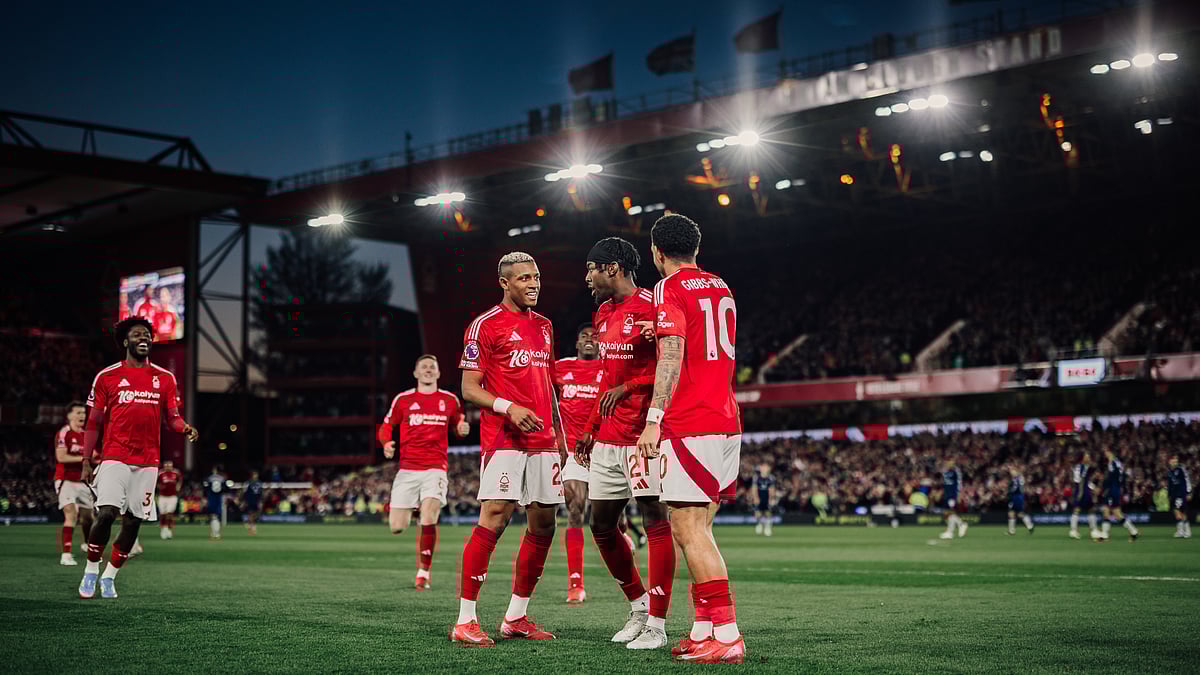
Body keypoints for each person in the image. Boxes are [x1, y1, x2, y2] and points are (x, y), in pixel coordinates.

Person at [635, 214, 746, 664]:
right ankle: (703, 628)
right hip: (726, 420)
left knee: (686, 529)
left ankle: (728, 634)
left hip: (691, 422)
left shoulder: (667, 289)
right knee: (699, 531)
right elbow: (700, 339)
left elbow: (675, 354)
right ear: (695, 249)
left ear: (656, 252)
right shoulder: (720, 285)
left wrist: (653, 418)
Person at [451, 252, 568, 647]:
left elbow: (550, 389)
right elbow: (469, 388)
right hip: (504, 439)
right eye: (523, 279)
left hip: (544, 441)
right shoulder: (484, 326)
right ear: (504, 283)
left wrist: (562, 440)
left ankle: (516, 616)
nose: (533, 284)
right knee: (496, 518)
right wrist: (508, 407)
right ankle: (465, 619)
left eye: (536, 277)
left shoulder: (547, 327)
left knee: (544, 524)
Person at [576, 236, 675, 650]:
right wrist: (589, 425)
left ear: (612, 268)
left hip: (644, 436)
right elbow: (606, 377)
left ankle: (657, 623)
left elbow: (675, 364)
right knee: (601, 524)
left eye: (591, 269)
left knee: (655, 520)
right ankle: (636, 606)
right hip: (609, 435)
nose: (587, 278)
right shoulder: (602, 313)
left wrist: (632, 386)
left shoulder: (654, 305)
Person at [78, 317, 198, 599]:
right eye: (137, 334)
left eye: (147, 334)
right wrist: (86, 460)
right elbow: (94, 422)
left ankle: (109, 576)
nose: (144, 338)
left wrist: (186, 428)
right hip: (115, 455)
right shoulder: (106, 376)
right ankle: (91, 570)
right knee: (106, 513)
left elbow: (173, 418)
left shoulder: (165, 378)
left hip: (148, 461)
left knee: (133, 521)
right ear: (125, 341)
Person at [377, 354, 469, 590]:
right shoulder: (403, 399)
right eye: (424, 367)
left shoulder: (449, 400)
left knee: (429, 516)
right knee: (397, 526)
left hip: (435, 469)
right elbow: (387, 426)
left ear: (438, 373)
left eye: (432, 367)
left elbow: (459, 422)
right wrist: (386, 443)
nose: (428, 370)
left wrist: (461, 428)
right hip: (407, 470)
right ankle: (418, 508)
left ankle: (423, 573)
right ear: (416, 373)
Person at [552, 323, 603, 604]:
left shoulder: (608, 369)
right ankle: (576, 582)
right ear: (575, 344)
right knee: (576, 506)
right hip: (572, 451)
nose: (589, 340)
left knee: (605, 517)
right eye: (583, 336)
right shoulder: (560, 368)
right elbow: (543, 394)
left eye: (594, 337)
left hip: (604, 450)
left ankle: (621, 534)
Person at [54, 401, 93, 566]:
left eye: (83, 413)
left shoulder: (86, 435)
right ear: (69, 415)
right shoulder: (64, 433)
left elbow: (95, 455)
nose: (82, 416)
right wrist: (85, 459)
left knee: (89, 518)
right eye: (78, 412)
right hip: (66, 479)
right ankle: (66, 555)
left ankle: (86, 543)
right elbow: (61, 457)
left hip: (83, 481)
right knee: (71, 515)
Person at [1098, 448, 1139, 542]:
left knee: (1107, 511)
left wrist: (1104, 486)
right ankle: (1133, 531)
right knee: (1116, 513)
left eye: (1107, 452)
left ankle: (1104, 535)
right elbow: (1122, 476)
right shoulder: (1118, 463)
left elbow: (1111, 478)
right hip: (1115, 489)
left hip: (1112, 489)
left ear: (1111, 453)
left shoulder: (1112, 463)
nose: (1105, 454)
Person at [1069, 452, 1100, 540]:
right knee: (1080, 510)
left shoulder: (1082, 467)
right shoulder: (1082, 467)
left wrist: (1093, 488)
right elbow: (1080, 481)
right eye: (1087, 457)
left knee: (1087, 509)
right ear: (1083, 458)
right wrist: (1082, 492)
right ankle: (1091, 531)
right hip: (1082, 491)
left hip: (1083, 490)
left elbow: (1084, 481)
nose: (1089, 458)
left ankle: (1075, 531)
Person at [938, 460, 968, 539]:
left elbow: (959, 483)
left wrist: (959, 495)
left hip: (952, 495)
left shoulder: (956, 471)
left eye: (950, 463)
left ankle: (961, 524)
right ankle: (950, 532)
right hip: (947, 494)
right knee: (948, 513)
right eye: (947, 463)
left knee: (950, 512)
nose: (947, 464)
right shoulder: (945, 471)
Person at [1167, 455, 1192, 538]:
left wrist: (1189, 492)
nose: (1175, 462)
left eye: (1176, 460)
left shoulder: (1181, 469)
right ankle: (1180, 531)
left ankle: (1187, 531)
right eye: (1173, 460)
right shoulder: (1169, 471)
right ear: (1169, 462)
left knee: (1181, 511)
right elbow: (1169, 484)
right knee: (1177, 512)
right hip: (1174, 494)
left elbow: (1187, 479)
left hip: (1181, 493)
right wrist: (1169, 494)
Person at [156, 459, 182, 539]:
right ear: (164, 466)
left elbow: (180, 481)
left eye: (169, 465)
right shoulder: (160, 473)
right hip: (162, 496)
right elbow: (156, 482)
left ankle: (169, 529)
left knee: (169, 513)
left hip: (172, 496)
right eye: (166, 465)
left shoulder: (176, 473)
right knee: (162, 514)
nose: (168, 467)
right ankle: (163, 528)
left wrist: (178, 487)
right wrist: (159, 487)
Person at [1006, 464, 1034, 535]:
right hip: (1019, 497)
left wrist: (1009, 491)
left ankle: (1012, 531)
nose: (1011, 472)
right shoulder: (1020, 478)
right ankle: (1029, 525)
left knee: (1012, 513)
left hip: (1016, 497)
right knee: (1019, 513)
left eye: (1012, 471)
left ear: (1016, 471)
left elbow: (1015, 488)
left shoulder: (1016, 479)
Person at [753, 463, 777, 537]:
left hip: (767, 497)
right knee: (757, 513)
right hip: (759, 496)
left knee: (768, 513)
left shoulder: (771, 478)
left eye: (766, 467)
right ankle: (759, 524)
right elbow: (754, 488)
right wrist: (756, 497)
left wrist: (771, 498)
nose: (764, 469)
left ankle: (767, 527)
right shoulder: (756, 477)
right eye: (763, 467)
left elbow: (772, 489)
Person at [204, 466, 227, 540]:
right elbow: (225, 489)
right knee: (216, 516)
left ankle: (214, 532)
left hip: (212, 498)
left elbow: (206, 488)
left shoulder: (209, 478)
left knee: (213, 516)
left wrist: (204, 497)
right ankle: (216, 532)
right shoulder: (222, 478)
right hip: (218, 498)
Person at [244, 471, 264, 536]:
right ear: (252, 475)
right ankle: (251, 529)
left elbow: (261, 492)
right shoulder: (248, 482)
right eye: (254, 474)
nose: (255, 476)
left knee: (256, 514)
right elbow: (245, 492)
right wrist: (245, 500)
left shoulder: (259, 483)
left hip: (257, 500)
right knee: (250, 514)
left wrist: (261, 501)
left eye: (256, 474)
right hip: (250, 500)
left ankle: (252, 526)